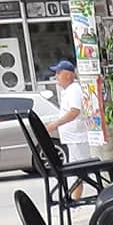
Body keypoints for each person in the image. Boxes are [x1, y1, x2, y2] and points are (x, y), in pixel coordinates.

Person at [45, 58, 93, 199]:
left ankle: (75, 199)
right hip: (73, 139)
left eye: (58, 73)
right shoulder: (68, 91)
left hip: (78, 138)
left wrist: (55, 124)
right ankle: (73, 198)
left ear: (67, 75)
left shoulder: (74, 90)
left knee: (79, 171)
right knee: (76, 170)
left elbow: (74, 112)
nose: (56, 77)